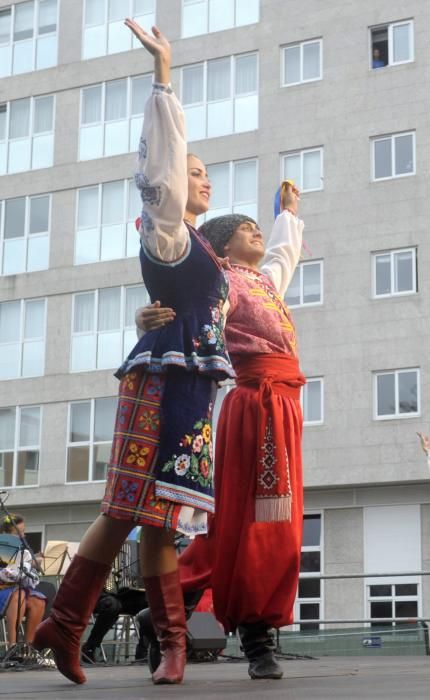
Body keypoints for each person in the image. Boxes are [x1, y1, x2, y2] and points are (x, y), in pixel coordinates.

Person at [34, 22, 233, 687]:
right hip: (158, 379)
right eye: (193, 172)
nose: (200, 180)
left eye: (206, 175)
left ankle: (171, 644)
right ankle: (65, 621)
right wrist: (165, 78)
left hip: (194, 392)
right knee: (126, 506)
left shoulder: (204, 254)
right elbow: (161, 173)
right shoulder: (169, 233)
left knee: (163, 517)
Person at [137, 184, 306, 680]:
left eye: (257, 226)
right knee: (257, 523)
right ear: (223, 247)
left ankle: (176, 602)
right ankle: (257, 635)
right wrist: (147, 317)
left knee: (267, 524)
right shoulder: (220, 285)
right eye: (244, 229)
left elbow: (282, 254)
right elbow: (181, 307)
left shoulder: (265, 282)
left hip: (286, 408)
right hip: (253, 405)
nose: (255, 231)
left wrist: (288, 216)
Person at [0, 514, 46, 650]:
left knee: (38, 600)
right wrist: (28, 564)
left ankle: (28, 648)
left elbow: (31, 580)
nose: (22, 536)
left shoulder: (24, 551)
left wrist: (32, 566)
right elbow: (7, 574)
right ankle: (12, 646)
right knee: (16, 596)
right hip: (2, 590)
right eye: (18, 533)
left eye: (23, 531)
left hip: (17, 590)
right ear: (4, 533)